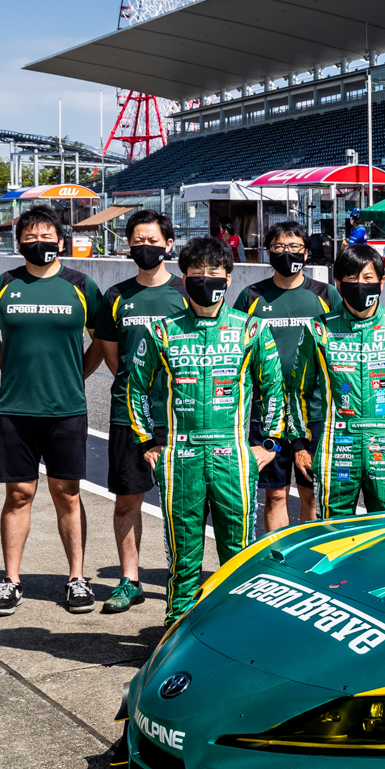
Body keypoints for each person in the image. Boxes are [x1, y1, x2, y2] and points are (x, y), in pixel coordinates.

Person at [125, 237, 284, 627]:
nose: (206, 279)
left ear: (229, 278)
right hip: (182, 458)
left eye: (214, 273)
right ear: (184, 277)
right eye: (197, 273)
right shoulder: (161, 331)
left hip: (234, 459)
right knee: (184, 556)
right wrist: (147, 441)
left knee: (240, 554)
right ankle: (176, 629)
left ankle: (238, 630)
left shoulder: (251, 329)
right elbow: (135, 387)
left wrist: (269, 444)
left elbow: (275, 389)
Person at [0, 205, 103, 616]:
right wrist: (12, 370)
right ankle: (11, 581)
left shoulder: (82, 286)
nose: (39, 243)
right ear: (18, 243)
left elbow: (100, 344)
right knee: (19, 494)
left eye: (46, 236)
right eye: (30, 237)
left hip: (67, 408)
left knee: (67, 495)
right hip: (15, 408)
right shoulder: (2, 284)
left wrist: (73, 376)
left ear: (62, 241)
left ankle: (77, 578)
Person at [88, 209, 186, 614]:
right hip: (129, 416)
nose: (145, 248)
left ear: (169, 244)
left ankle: (185, 579)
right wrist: (139, 397)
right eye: (137, 241)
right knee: (127, 500)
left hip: (183, 416)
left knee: (183, 504)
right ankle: (130, 580)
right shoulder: (115, 296)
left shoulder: (186, 291)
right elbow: (114, 359)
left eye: (153, 241)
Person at [291, 245, 385, 516]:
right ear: (338, 283)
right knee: (333, 533)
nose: (360, 285)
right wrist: (300, 445)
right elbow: (298, 391)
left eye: (368, 278)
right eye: (352, 279)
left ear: (381, 281)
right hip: (336, 450)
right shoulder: (318, 328)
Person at [232, 221, 343, 533]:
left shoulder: (325, 294)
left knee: (311, 492)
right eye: (280, 247)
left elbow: (340, 345)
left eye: (294, 247)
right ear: (269, 251)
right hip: (267, 411)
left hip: (314, 409)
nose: (287, 253)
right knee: (276, 493)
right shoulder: (251, 295)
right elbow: (237, 348)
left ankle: (306, 562)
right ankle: (276, 558)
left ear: (307, 252)